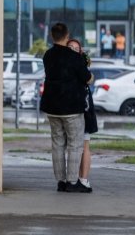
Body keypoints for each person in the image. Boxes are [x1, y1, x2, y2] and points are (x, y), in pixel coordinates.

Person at [40, 23, 93, 193]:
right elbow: (87, 78)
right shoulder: (74, 58)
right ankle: (72, 181)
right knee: (75, 145)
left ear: (52, 36)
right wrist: (90, 75)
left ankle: (61, 181)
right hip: (71, 107)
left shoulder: (47, 55)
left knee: (57, 144)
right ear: (67, 35)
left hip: (51, 106)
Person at [67, 39, 98, 193]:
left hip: (84, 111)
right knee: (73, 146)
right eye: (70, 47)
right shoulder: (65, 66)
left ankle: (83, 179)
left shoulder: (80, 66)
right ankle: (74, 179)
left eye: (76, 48)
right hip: (69, 111)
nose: (73, 50)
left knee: (84, 146)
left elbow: (90, 79)